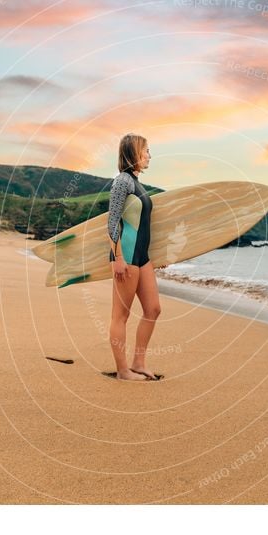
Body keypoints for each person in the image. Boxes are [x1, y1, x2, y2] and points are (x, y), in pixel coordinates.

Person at [106, 133, 165, 381]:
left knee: (153, 309)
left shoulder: (137, 183)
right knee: (121, 315)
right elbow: (112, 222)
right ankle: (122, 371)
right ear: (134, 153)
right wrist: (118, 257)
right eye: (146, 150)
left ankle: (138, 363)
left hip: (143, 257)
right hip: (126, 256)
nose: (149, 155)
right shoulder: (122, 181)